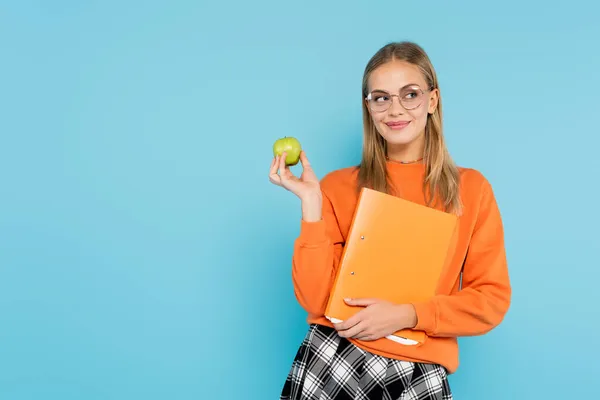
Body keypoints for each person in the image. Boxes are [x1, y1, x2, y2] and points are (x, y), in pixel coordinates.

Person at [268, 41, 511, 400]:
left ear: (432, 100)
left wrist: (409, 315)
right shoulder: (336, 186)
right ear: (368, 107)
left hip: (418, 368)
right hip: (334, 358)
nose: (394, 109)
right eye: (381, 98)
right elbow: (316, 300)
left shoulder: (470, 190)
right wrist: (311, 204)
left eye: (409, 94)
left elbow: (490, 299)